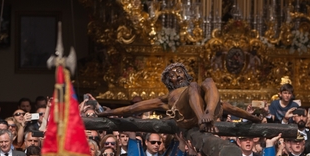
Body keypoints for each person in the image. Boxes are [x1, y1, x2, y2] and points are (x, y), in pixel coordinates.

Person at [99, 63, 260, 133]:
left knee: (208, 81)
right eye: (173, 75)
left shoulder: (202, 92)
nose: (177, 75)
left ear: (186, 74)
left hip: (208, 113)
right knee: (194, 86)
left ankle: (207, 115)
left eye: (180, 72)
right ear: (170, 81)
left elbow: (230, 108)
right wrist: (105, 113)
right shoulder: (167, 97)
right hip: (188, 117)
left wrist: (254, 119)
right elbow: (132, 109)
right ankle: (202, 119)